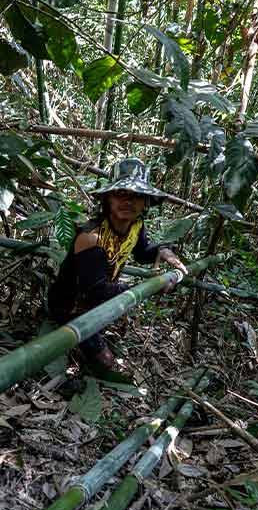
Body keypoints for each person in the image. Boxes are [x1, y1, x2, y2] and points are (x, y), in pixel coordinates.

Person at [47, 157, 187, 371]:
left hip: (99, 302)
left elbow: (142, 252)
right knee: (106, 364)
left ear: (145, 202)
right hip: (72, 306)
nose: (128, 201)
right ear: (108, 199)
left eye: (137, 196)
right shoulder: (91, 237)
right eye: (120, 194)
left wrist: (163, 250)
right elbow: (95, 291)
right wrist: (149, 288)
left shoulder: (136, 225)